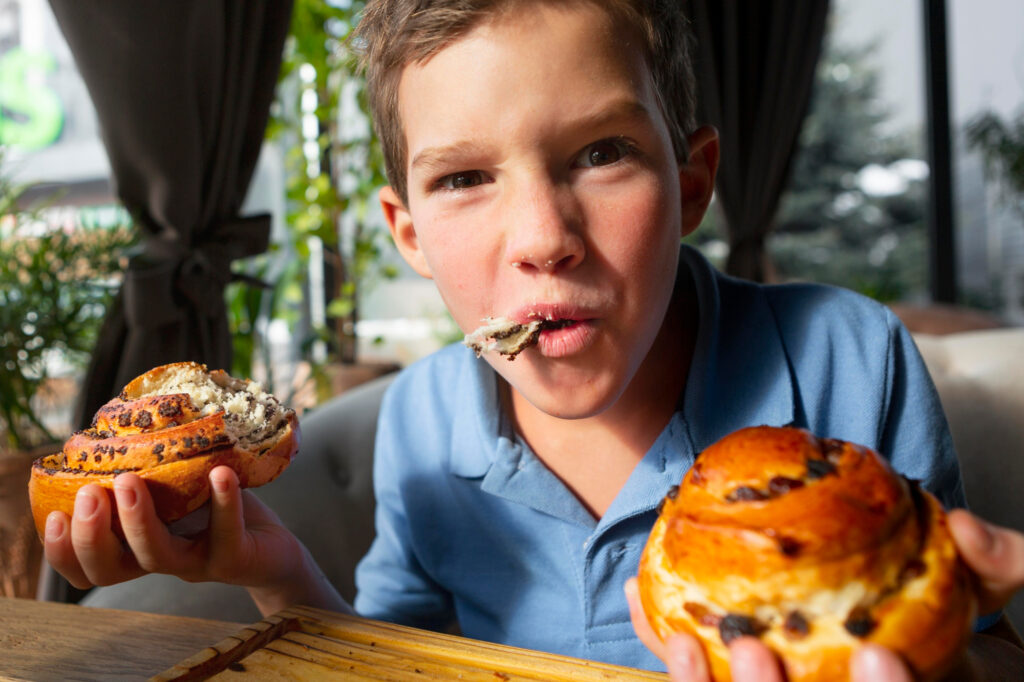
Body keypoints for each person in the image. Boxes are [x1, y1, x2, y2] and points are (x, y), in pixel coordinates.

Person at [43, 1, 1024, 679]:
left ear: (690, 182)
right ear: (410, 234)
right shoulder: (425, 417)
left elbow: (984, 643)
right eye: (466, 177)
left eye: (601, 154)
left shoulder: (847, 356)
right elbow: (398, 660)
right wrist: (272, 567)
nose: (545, 237)